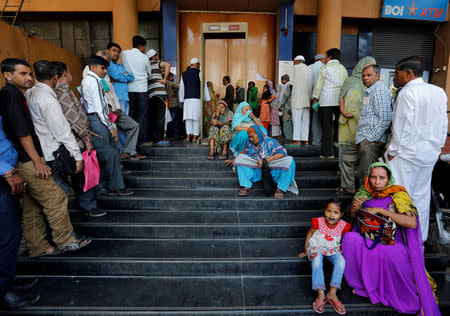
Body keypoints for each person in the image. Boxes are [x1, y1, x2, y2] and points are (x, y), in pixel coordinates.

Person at [0, 58, 91, 258]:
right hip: (28, 160)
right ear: (7, 75)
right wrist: (38, 161)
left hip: (22, 159)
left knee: (32, 206)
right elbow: (23, 132)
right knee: (56, 198)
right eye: (22, 74)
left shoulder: (20, 94)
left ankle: (39, 247)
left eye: (29, 73)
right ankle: (66, 241)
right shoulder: (12, 96)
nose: (28, 77)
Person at [342, 162, 440, 315]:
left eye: (382, 177)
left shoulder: (398, 194)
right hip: (369, 236)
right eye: (373, 177)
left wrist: (382, 210)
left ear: (389, 178)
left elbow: (411, 222)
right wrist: (354, 209)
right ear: (368, 178)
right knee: (349, 239)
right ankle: (363, 284)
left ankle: (396, 294)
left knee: (392, 253)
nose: (377, 181)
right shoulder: (363, 192)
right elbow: (354, 220)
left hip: (393, 240)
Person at [387, 56, 448, 242]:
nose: (395, 78)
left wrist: (391, 152)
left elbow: (401, 126)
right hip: (428, 155)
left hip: (405, 154)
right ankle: (418, 238)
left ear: (408, 73)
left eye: (396, 74)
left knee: (399, 196)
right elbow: (444, 123)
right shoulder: (439, 92)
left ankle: (398, 236)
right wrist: (437, 148)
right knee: (421, 197)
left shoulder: (407, 93)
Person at [53, 61, 107, 217]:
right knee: (83, 173)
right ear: (64, 74)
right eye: (68, 72)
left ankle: (86, 203)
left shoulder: (61, 90)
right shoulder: (62, 91)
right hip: (76, 140)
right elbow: (73, 117)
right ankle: (88, 206)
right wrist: (86, 137)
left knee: (81, 174)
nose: (70, 75)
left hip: (75, 139)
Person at [25, 60, 84, 196]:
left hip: (41, 150)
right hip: (53, 153)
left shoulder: (30, 93)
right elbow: (62, 131)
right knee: (60, 195)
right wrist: (77, 156)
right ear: (56, 77)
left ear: (34, 75)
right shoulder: (48, 99)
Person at [0, 115, 40, 309]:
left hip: (6, 174)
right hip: (3, 174)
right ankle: (3, 292)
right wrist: (6, 171)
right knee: (8, 234)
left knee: (12, 233)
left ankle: (7, 282)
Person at [81, 55, 133, 197]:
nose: (105, 71)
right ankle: (114, 187)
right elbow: (99, 108)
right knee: (109, 154)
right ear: (92, 67)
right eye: (102, 68)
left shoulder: (90, 80)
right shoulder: (94, 81)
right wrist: (110, 127)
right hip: (97, 120)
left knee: (108, 154)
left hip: (97, 120)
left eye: (106, 68)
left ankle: (107, 186)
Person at [88, 51, 143, 160]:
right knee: (113, 136)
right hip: (104, 111)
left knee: (133, 125)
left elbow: (112, 91)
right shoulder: (90, 75)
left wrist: (117, 106)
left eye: (107, 65)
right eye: (104, 65)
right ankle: (119, 160)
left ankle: (128, 151)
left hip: (114, 108)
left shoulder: (105, 74)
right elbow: (100, 99)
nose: (107, 69)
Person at [299, 200, 350, 314]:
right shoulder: (319, 222)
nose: (331, 215)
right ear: (324, 211)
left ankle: (332, 292)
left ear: (341, 215)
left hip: (333, 249)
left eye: (335, 212)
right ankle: (321, 293)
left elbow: (343, 240)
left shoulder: (343, 225)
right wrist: (306, 248)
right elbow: (310, 233)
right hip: (317, 246)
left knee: (341, 261)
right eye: (329, 211)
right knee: (316, 261)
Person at [344, 64, 392, 186]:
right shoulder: (368, 92)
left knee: (367, 173)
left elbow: (385, 119)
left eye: (369, 75)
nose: (365, 78)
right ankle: (349, 188)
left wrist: (370, 138)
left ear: (378, 76)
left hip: (371, 140)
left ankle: (366, 200)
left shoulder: (380, 91)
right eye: (363, 75)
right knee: (346, 158)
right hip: (362, 137)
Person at [338, 56, 376, 194]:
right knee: (346, 146)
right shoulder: (350, 80)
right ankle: (344, 174)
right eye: (366, 67)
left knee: (358, 149)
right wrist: (343, 110)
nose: (366, 75)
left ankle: (355, 181)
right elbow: (341, 96)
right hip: (347, 117)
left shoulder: (373, 87)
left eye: (371, 69)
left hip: (361, 121)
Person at [233, 125, 297, 199]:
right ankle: (246, 185)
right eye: (249, 137)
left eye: (252, 136)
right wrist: (235, 158)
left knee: (289, 160)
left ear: (258, 134)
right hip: (256, 167)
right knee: (240, 158)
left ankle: (280, 188)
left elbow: (282, 152)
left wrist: (265, 160)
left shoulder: (270, 141)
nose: (251, 139)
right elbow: (244, 151)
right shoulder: (250, 143)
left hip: (271, 167)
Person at [312, 48, 348, 158]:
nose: (326, 59)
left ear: (330, 57)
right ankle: (332, 150)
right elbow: (346, 85)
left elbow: (318, 85)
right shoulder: (343, 69)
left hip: (326, 100)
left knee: (326, 127)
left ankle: (329, 153)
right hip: (339, 101)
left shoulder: (325, 68)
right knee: (337, 125)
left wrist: (315, 99)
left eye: (326, 57)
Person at [121, 35, 152, 145]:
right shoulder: (144, 58)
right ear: (142, 47)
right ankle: (141, 140)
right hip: (142, 89)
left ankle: (131, 141)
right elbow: (149, 74)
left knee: (131, 115)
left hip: (129, 89)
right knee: (142, 116)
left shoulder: (124, 54)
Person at [179, 58, 210, 143]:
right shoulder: (200, 73)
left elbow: (181, 88)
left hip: (187, 99)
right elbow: (204, 87)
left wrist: (182, 99)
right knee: (196, 118)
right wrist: (208, 99)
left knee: (188, 118)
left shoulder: (184, 74)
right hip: (197, 99)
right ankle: (195, 137)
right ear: (196, 64)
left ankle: (188, 136)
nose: (199, 66)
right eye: (198, 64)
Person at [146, 48, 170, 145]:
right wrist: (164, 79)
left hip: (150, 94)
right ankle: (159, 139)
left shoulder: (147, 65)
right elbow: (168, 65)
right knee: (160, 117)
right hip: (160, 93)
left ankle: (153, 138)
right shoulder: (157, 62)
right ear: (154, 56)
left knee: (153, 117)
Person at [290, 55, 313, 146]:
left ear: (297, 61)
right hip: (307, 98)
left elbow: (291, 84)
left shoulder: (295, 68)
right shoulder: (309, 69)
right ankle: (305, 140)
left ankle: (296, 140)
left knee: (296, 119)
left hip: (297, 98)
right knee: (305, 120)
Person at [106, 42, 134, 116]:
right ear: (108, 51)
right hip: (116, 99)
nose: (116, 53)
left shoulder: (119, 66)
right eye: (114, 50)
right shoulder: (108, 64)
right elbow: (116, 76)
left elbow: (131, 77)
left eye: (118, 52)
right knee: (121, 123)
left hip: (125, 98)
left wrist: (121, 78)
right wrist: (125, 77)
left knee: (125, 123)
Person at [308, 54, 326, 146]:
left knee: (310, 119)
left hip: (310, 98)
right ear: (322, 59)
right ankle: (318, 141)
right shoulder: (324, 67)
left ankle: (311, 139)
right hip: (321, 97)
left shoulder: (309, 67)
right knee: (320, 120)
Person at [165, 72, 179, 140]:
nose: (173, 78)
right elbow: (179, 87)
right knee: (174, 121)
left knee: (169, 121)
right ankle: (174, 135)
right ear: (168, 77)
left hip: (168, 105)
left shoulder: (164, 84)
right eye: (171, 77)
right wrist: (176, 93)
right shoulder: (171, 83)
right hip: (174, 104)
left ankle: (169, 135)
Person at [280, 74, 293, 140]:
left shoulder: (287, 85)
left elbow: (285, 95)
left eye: (282, 79)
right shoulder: (288, 85)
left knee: (286, 120)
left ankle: (289, 137)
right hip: (289, 106)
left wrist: (281, 104)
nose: (281, 81)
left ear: (284, 79)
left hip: (287, 106)